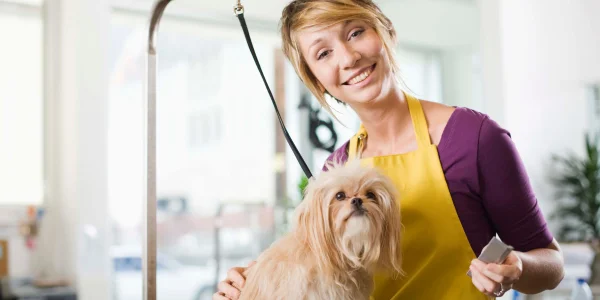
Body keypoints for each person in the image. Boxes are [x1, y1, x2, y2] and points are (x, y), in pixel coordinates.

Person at [214, 0, 565, 299]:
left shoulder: (474, 138)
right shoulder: (336, 169)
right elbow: (307, 263)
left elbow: (551, 263)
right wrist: (253, 279)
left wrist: (517, 268)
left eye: (355, 32)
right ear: (316, 79)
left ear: (386, 33)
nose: (349, 57)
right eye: (324, 53)